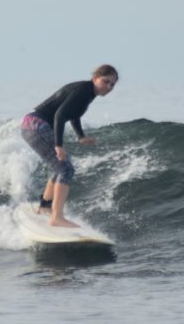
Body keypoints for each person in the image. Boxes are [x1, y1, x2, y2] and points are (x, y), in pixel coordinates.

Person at [20, 65, 119, 227]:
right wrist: (58, 145)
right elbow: (60, 115)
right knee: (66, 169)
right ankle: (57, 217)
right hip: (36, 125)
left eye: (112, 85)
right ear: (95, 78)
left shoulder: (87, 92)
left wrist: (81, 136)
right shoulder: (83, 91)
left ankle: (45, 208)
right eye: (106, 81)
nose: (109, 87)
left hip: (31, 124)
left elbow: (73, 115)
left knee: (60, 167)